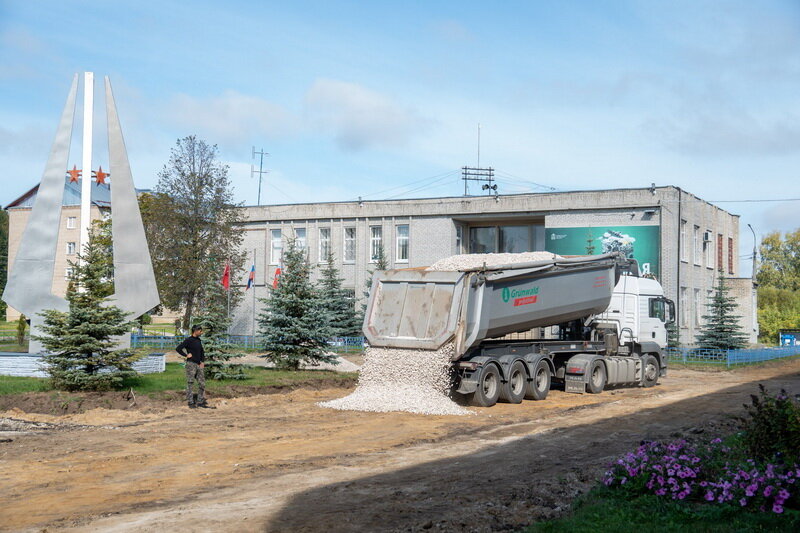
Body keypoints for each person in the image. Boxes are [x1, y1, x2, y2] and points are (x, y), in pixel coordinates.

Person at [176, 324, 208, 408]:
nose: (201, 332)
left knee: (202, 383)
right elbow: (178, 348)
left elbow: (202, 351)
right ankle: (190, 402)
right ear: (196, 331)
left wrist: (202, 362)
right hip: (191, 364)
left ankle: (200, 401)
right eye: (200, 331)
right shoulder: (188, 340)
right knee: (190, 383)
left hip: (199, 364)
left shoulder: (198, 340)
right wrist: (186, 355)